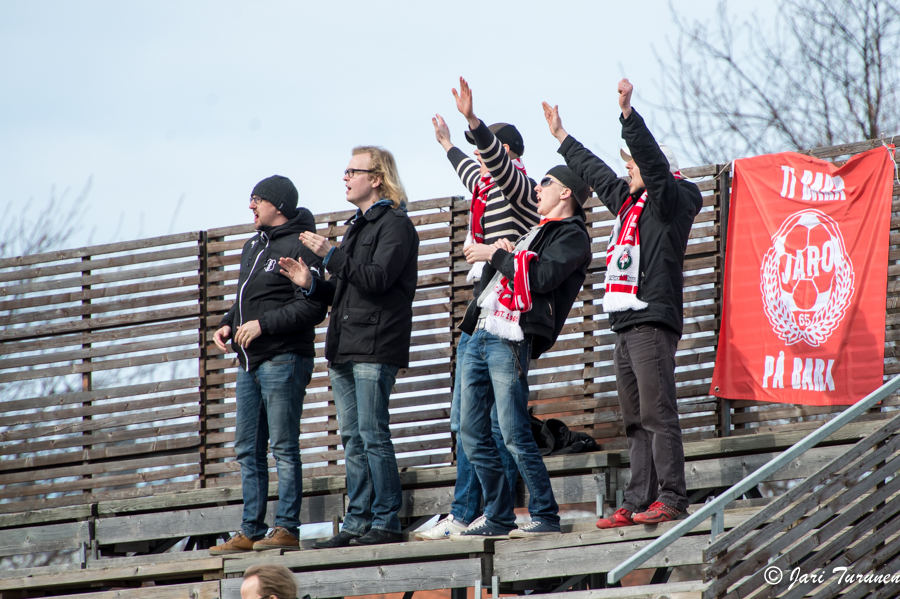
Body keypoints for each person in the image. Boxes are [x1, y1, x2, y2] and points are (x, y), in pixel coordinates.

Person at [543, 78, 702, 528]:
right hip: (626, 321)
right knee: (634, 418)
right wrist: (562, 138)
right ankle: (638, 500)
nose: (626, 171)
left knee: (656, 412)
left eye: (632, 165)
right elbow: (596, 175)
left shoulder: (670, 202)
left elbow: (651, 163)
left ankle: (671, 497)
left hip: (652, 319)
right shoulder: (630, 205)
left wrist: (629, 117)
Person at [448, 78, 593, 539]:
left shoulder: (571, 236)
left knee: (511, 432)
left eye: (545, 182)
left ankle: (546, 516)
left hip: (509, 339)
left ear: (564, 192)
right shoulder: (536, 232)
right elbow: (514, 265)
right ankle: (498, 515)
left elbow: (543, 278)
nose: (538, 188)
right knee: (470, 433)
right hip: (480, 331)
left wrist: (495, 253)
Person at [416, 80, 538, 540]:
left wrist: (472, 122)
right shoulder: (486, 187)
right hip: (480, 312)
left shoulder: (520, 187)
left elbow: (494, 165)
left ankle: (490, 510)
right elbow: (470, 170)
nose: (480, 157)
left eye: (486, 149)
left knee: (494, 421)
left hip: (506, 316)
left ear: (503, 151)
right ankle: (466, 509)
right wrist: (448, 143)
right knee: (466, 418)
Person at [279, 146, 418, 548]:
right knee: (353, 438)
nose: (344, 177)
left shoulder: (395, 224)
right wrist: (310, 283)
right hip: (345, 344)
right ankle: (358, 522)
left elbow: (376, 279)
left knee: (373, 434)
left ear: (376, 178)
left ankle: (386, 519)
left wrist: (332, 254)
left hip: (375, 344)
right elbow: (344, 288)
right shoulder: (358, 224)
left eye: (352, 170)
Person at [209, 175, 327, 555]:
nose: (250, 206)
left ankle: (287, 527)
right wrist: (229, 320)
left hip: (284, 357)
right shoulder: (253, 245)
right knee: (247, 448)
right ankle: (250, 529)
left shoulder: (302, 243)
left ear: (277, 204)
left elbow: (312, 306)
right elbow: (249, 297)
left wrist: (262, 325)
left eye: (256, 199)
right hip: (249, 362)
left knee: (283, 446)